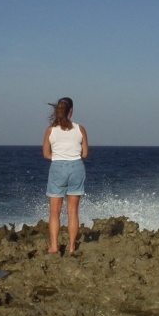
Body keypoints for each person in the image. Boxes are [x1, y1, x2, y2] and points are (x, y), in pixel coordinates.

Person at [43, 97, 89, 254]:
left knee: (55, 212)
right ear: (72, 111)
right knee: (73, 212)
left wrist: (58, 157)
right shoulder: (80, 129)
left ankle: (54, 246)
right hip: (77, 167)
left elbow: (46, 154)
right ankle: (71, 247)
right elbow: (85, 153)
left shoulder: (51, 130)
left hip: (57, 167)